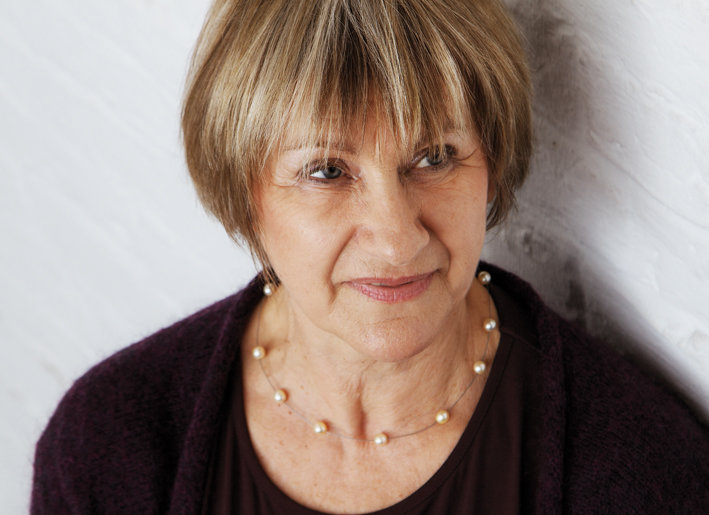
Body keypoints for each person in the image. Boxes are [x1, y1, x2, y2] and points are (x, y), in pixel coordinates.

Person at [31, 0, 708, 513]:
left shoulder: (641, 471)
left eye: (434, 157)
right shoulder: (105, 446)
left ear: (492, 162)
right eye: (327, 171)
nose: (394, 238)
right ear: (244, 192)